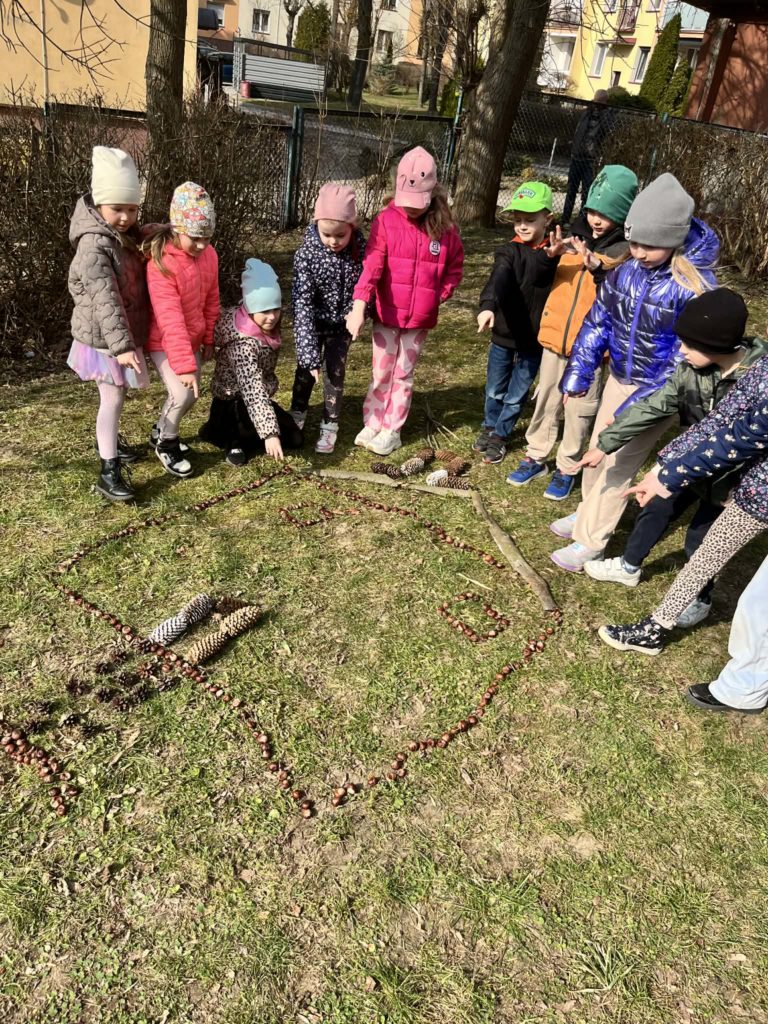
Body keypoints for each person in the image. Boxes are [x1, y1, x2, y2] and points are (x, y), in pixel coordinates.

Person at [550, 173, 719, 571]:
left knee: (619, 461)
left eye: (650, 245)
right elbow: (598, 322)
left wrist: (636, 406)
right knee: (598, 449)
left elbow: (684, 360)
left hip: (656, 392)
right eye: (635, 242)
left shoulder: (691, 287)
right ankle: (589, 511)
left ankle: (592, 540)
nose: (639, 252)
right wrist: (579, 373)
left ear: (674, 239)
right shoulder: (626, 272)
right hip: (620, 377)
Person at [582, 288, 767, 629]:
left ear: (717, 344)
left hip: (731, 478)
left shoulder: (757, 376)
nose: (681, 350)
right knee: (656, 507)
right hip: (688, 461)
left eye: (690, 344)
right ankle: (629, 565)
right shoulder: (690, 371)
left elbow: (746, 438)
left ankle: (700, 597)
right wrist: (606, 443)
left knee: (701, 539)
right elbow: (654, 405)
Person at [598, 358, 768, 658]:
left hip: (760, 488)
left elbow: (742, 436)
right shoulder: (764, 366)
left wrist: (671, 475)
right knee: (708, 554)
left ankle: (750, 671)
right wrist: (665, 469)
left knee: (758, 599)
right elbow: (723, 419)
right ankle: (657, 627)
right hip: (758, 491)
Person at [507, 164, 638, 496]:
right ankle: (536, 455)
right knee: (546, 399)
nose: (596, 220)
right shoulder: (568, 241)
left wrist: (598, 270)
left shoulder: (623, 254)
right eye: (592, 211)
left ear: (622, 216)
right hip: (554, 340)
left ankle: (567, 465)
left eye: (606, 214)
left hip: (591, 350)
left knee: (580, 409)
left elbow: (622, 299)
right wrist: (549, 258)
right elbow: (537, 281)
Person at [346, 146, 464, 457]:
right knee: (381, 371)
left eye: (417, 203)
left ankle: (392, 429)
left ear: (432, 194)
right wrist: (359, 303)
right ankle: (373, 420)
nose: (410, 209)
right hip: (387, 314)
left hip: (419, 319)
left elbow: (454, 268)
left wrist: (438, 295)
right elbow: (372, 265)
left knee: (402, 373)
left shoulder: (445, 230)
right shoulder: (386, 221)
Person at [67, 146, 149, 502]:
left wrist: (163, 230)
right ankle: (108, 470)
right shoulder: (94, 246)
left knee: (117, 397)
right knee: (112, 398)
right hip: (105, 340)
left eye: (132, 209)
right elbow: (105, 300)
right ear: (100, 204)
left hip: (119, 335)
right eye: (118, 209)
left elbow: (141, 236)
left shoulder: (122, 234)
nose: (126, 217)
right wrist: (123, 347)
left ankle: (110, 442)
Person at [473, 182, 559, 466]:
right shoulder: (508, 251)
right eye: (517, 219)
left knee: (516, 393)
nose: (522, 225)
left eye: (530, 220)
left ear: (547, 219)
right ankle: (489, 425)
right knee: (494, 388)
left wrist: (552, 257)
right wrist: (488, 306)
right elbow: (497, 278)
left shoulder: (555, 255)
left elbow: (542, 274)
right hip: (503, 334)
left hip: (533, 340)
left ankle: (501, 434)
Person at [144, 182, 220, 479]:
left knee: (191, 395)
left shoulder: (209, 256)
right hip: (164, 341)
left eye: (207, 237)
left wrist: (209, 337)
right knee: (182, 393)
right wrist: (184, 366)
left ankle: (160, 430)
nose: (202, 245)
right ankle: (167, 442)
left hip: (193, 338)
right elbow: (169, 318)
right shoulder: (161, 263)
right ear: (178, 229)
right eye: (195, 238)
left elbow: (212, 299)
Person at [199, 259, 303, 464]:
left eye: (276, 309)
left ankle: (255, 432)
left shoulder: (266, 329)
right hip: (231, 401)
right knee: (244, 435)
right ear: (250, 309)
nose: (272, 317)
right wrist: (270, 433)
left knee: (295, 438)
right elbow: (252, 387)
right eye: (265, 311)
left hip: (258, 399)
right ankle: (224, 435)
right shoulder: (243, 344)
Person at [289, 184, 366, 454]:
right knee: (305, 371)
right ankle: (297, 413)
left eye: (340, 235)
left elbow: (366, 286)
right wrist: (309, 353)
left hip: (342, 326)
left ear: (352, 227)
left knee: (335, 373)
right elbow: (302, 303)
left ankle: (330, 424)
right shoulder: (306, 255)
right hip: (314, 323)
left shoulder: (361, 251)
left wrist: (360, 311)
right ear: (316, 226)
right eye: (327, 235)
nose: (334, 241)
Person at [561, 90, 614, 227]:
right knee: (571, 190)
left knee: (587, 192)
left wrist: (603, 112)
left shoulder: (607, 116)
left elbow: (606, 130)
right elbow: (579, 130)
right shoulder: (586, 113)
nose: (597, 104)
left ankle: (581, 221)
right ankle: (565, 219)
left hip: (590, 160)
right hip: (577, 157)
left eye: (600, 102)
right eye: (596, 101)